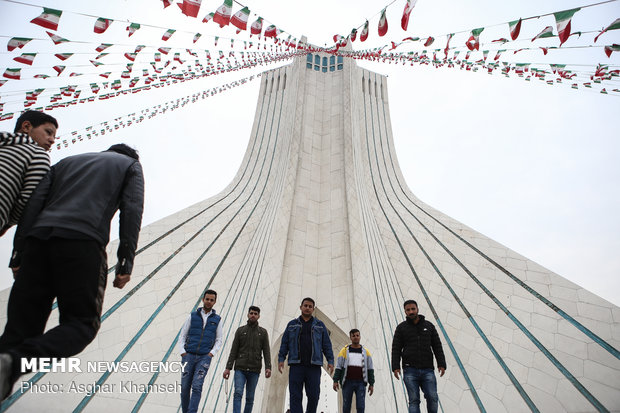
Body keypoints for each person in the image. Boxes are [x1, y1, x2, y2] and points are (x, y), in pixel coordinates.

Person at [0, 143, 144, 400]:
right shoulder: (129, 166)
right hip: (82, 242)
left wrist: (18, 251)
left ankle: (8, 359)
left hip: (38, 241)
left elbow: (34, 203)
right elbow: (132, 210)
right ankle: (15, 361)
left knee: (18, 331)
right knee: (81, 325)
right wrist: (125, 261)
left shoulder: (65, 162)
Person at [0, 110, 57, 236]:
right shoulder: (37, 153)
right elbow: (29, 201)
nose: (52, 140)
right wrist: (7, 223)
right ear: (26, 127)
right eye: (48, 132)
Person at [278, 297, 334, 413]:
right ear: (300, 307)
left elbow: (326, 345)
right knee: (295, 395)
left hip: (313, 366)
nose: (307, 308)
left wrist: (330, 361)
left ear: (313, 309)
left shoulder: (320, 325)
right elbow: (285, 343)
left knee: (314, 395)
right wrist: (281, 359)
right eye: (305, 306)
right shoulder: (292, 325)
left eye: (310, 306)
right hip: (296, 365)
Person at [392, 300, 446, 413]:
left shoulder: (429, 326)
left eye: (413, 309)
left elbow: (437, 346)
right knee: (414, 400)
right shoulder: (401, 328)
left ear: (417, 309)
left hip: (427, 369)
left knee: (432, 397)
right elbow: (396, 348)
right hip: (410, 370)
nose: (411, 312)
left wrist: (441, 363)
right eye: (408, 310)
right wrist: (395, 366)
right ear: (405, 312)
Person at [178, 290, 223, 413]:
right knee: (185, 387)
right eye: (207, 299)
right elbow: (182, 335)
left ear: (214, 302)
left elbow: (219, 339)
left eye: (211, 300)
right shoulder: (192, 316)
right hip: (189, 355)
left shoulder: (217, 320)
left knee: (197, 387)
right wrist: (183, 352)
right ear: (203, 299)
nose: (209, 302)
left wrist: (211, 354)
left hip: (204, 357)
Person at [223, 305, 271, 413]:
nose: (253, 315)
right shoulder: (240, 331)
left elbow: (266, 351)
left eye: (255, 314)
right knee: (238, 393)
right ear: (248, 314)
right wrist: (228, 368)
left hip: (255, 369)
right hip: (240, 368)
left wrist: (268, 367)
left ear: (259, 316)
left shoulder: (263, 333)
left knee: (250, 398)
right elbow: (233, 350)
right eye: (251, 313)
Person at [332, 329, 375, 413]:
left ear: (360, 337)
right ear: (350, 337)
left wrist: (371, 383)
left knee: (360, 406)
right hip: (347, 382)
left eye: (357, 335)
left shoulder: (366, 352)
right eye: (353, 336)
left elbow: (370, 368)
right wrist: (335, 380)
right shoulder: (344, 351)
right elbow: (339, 367)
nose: (356, 337)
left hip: (361, 383)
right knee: (346, 406)